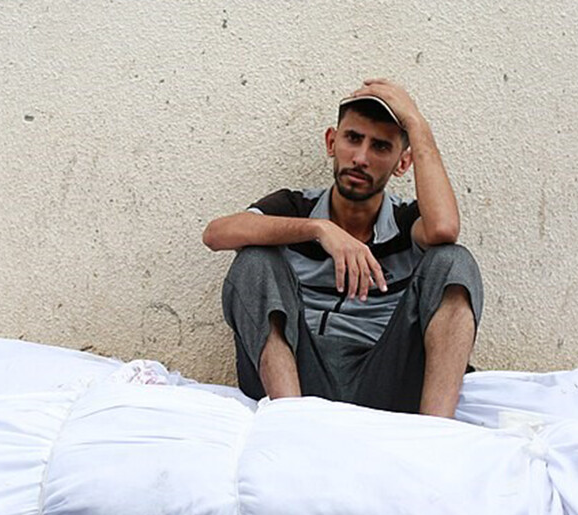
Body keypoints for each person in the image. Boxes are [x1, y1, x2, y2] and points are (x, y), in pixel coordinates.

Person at [203, 78, 483, 417]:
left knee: (453, 261)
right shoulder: (297, 206)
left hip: (383, 379)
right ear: (332, 142)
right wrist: (319, 229)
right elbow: (217, 234)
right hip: (295, 381)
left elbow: (444, 228)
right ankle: (291, 423)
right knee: (254, 260)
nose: (361, 158)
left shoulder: (407, 221)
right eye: (353, 139)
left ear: (402, 163)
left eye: (380, 147)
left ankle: (434, 433)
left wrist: (416, 123)